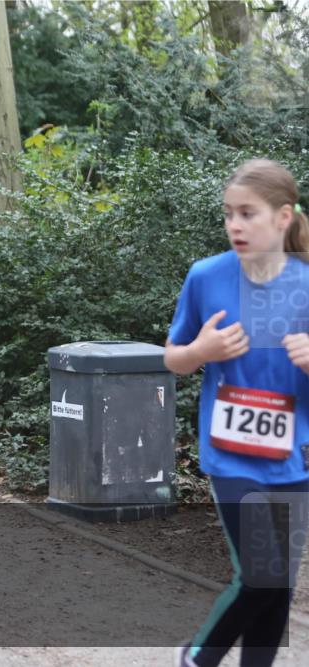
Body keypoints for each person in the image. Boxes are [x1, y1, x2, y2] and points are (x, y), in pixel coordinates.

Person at [165, 159, 309, 667]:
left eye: (248, 214)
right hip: (232, 454)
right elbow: (173, 359)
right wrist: (201, 349)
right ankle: (201, 657)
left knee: (278, 585)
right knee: (263, 575)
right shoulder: (207, 276)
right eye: (229, 214)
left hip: (296, 456)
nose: (235, 225)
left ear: (283, 217)